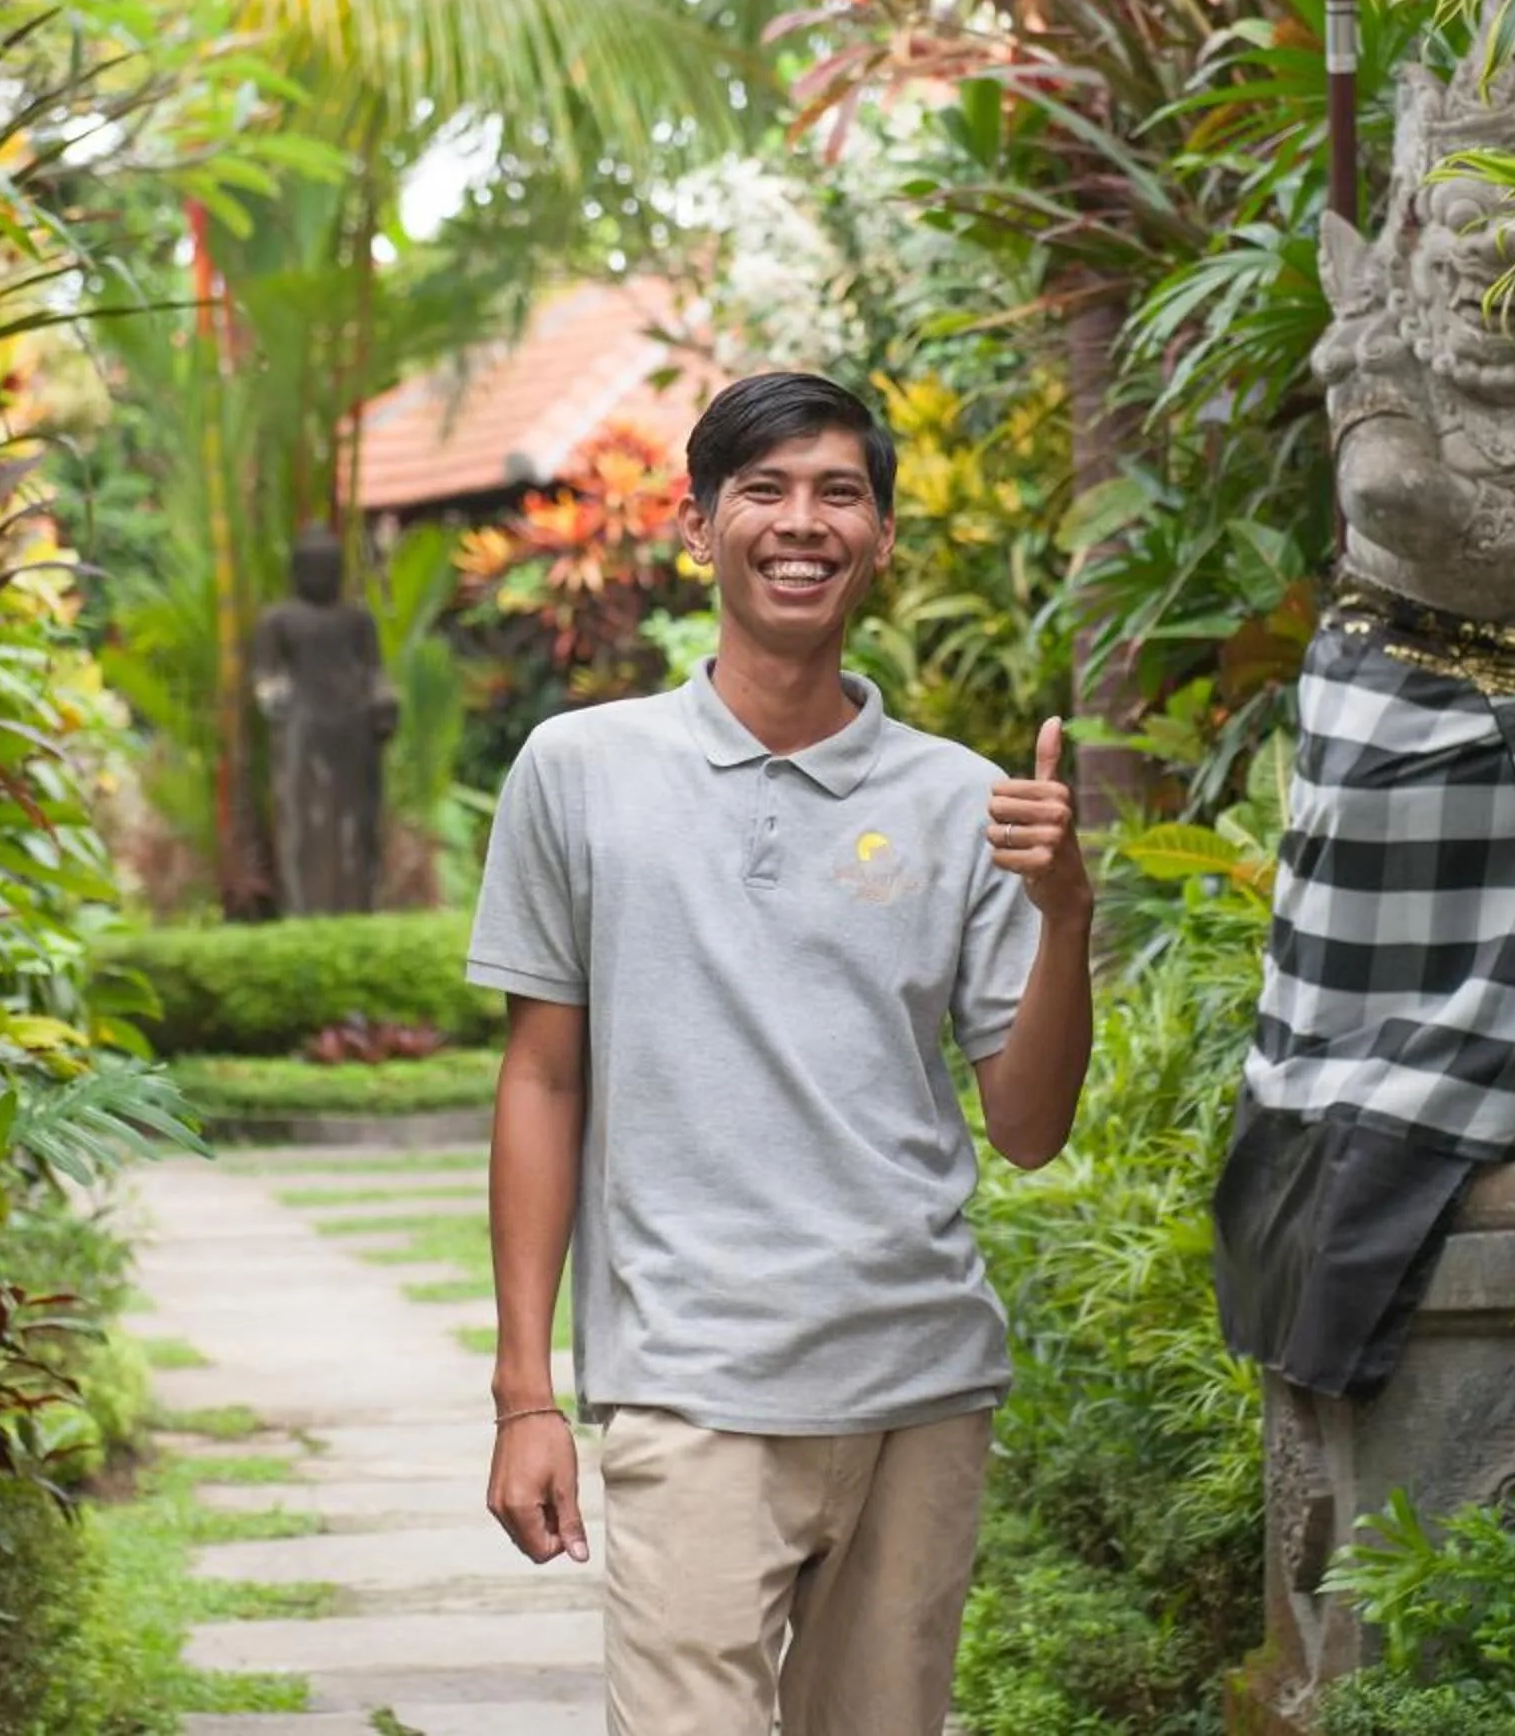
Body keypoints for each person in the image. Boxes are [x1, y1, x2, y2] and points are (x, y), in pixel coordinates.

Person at [467, 371, 1097, 1735]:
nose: (801, 523)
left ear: (881, 537)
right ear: (700, 526)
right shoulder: (578, 771)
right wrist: (525, 1395)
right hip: (690, 1386)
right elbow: (543, 1080)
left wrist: (1066, 918)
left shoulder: (960, 799)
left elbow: (1031, 1127)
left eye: (838, 494)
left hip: (919, 1387)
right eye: (764, 490)